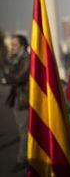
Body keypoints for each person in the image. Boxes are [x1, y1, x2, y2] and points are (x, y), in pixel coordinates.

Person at [4, 34, 30, 172]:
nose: (12, 47)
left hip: (24, 100)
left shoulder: (26, 59)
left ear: (22, 45)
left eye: (15, 45)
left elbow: (18, 78)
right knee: (23, 130)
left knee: (23, 131)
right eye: (11, 45)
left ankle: (22, 159)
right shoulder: (13, 60)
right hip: (17, 100)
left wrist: (7, 72)